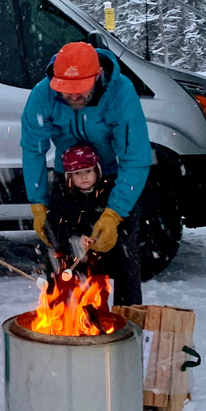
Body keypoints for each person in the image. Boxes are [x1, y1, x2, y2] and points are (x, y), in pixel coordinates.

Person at [21, 41, 152, 306]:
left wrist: (115, 213)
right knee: (62, 248)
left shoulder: (121, 93)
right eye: (66, 91)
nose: (74, 97)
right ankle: (65, 315)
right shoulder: (42, 94)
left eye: (80, 90)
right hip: (67, 175)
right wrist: (38, 203)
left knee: (124, 253)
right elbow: (33, 150)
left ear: (98, 77)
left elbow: (135, 157)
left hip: (112, 176)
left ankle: (127, 320)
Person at [45, 144, 139, 305]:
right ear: (69, 177)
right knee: (62, 287)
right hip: (71, 258)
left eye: (88, 171)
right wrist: (75, 239)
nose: (84, 177)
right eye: (77, 173)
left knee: (98, 294)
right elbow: (54, 227)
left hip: (101, 260)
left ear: (96, 171)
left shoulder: (109, 194)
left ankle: (109, 317)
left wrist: (105, 239)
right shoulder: (62, 196)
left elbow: (126, 223)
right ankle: (60, 316)